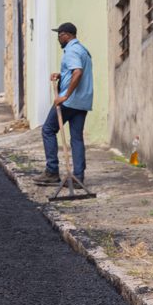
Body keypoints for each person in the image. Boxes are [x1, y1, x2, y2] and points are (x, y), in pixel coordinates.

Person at [39, 23, 93, 191]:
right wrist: (61, 75)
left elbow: (77, 72)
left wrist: (65, 95)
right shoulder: (83, 50)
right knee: (76, 138)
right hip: (83, 101)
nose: (58, 38)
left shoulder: (71, 51)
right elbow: (74, 72)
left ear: (68, 35)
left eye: (60, 35)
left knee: (48, 129)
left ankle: (52, 172)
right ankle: (78, 177)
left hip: (69, 102)